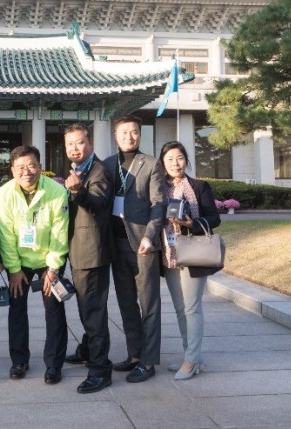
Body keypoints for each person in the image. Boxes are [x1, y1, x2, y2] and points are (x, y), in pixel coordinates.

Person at [0, 145, 70, 384]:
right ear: (12, 170)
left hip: (49, 258)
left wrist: (53, 269)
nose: (26, 172)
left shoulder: (57, 191)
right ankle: (19, 361)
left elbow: (59, 233)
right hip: (19, 260)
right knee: (17, 310)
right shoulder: (4, 194)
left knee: (54, 310)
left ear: (40, 167)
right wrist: (14, 269)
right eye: (20, 167)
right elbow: (6, 236)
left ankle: (54, 364)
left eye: (31, 166)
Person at [103, 114, 166, 383]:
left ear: (140, 135)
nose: (129, 136)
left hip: (142, 245)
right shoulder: (107, 165)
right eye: (124, 132)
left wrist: (150, 236)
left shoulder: (151, 164)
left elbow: (158, 204)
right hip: (116, 244)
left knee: (148, 303)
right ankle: (134, 355)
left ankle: (148, 361)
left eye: (134, 132)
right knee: (126, 302)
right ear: (115, 136)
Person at [159, 141, 221, 380]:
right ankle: (190, 355)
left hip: (194, 254)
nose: (175, 163)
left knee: (192, 308)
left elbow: (214, 218)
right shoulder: (159, 188)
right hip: (170, 254)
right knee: (179, 309)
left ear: (186, 160)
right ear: (163, 163)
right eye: (170, 159)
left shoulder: (199, 186)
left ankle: (192, 360)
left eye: (179, 158)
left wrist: (190, 223)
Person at [62, 123, 114, 394]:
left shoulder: (98, 170)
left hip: (91, 252)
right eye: (69, 143)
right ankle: (87, 349)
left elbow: (97, 204)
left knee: (93, 310)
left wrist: (77, 191)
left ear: (90, 143)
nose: (74, 148)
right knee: (87, 307)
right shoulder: (78, 169)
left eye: (79, 142)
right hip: (78, 249)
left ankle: (100, 369)